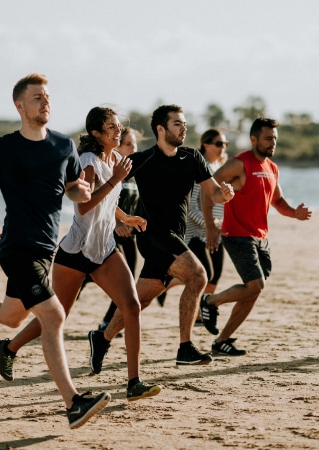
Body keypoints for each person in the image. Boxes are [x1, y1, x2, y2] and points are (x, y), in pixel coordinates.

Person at [0, 73, 110, 430]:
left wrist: (82, 193)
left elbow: (73, 188)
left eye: (47, 97)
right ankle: (73, 403)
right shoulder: (4, 147)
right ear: (20, 106)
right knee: (54, 316)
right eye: (37, 97)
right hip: (16, 248)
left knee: (11, 317)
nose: (46, 102)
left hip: (45, 249)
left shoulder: (63, 145)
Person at [0, 107, 161, 402]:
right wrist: (115, 180)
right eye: (111, 127)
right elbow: (84, 206)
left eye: (118, 125)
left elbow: (107, 203)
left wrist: (125, 218)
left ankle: (134, 382)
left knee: (132, 306)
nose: (117, 130)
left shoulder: (115, 160)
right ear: (97, 134)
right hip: (75, 252)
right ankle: (9, 347)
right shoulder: (88, 162)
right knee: (57, 315)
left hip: (104, 250)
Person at [88, 104, 235, 372]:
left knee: (139, 301)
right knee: (198, 275)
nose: (183, 128)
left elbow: (213, 193)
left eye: (184, 123)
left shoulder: (192, 158)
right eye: (177, 124)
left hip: (175, 236)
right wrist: (120, 220)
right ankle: (185, 348)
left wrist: (224, 194)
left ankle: (102, 337)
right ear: (161, 129)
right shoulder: (142, 160)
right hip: (152, 235)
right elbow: (106, 189)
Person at [199, 117, 312, 356]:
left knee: (254, 290)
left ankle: (222, 341)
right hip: (237, 234)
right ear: (254, 139)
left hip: (261, 237)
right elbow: (206, 189)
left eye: (275, 139)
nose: (273, 143)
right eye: (268, 138)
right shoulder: (238, 163)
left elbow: (278, 201)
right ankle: (210, 302)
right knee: (255, 285)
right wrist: (210, 226)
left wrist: (295, 214)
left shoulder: (272, 167)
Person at [156, 129, 230, 320]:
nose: (223, 148)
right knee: (203, 273)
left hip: (216, 231)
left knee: (215, 275)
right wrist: (209, 225)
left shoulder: (219, 167)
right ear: (206, 144)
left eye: (225, 144)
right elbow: (190, 206)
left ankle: (199, 312)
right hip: (197, 233)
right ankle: (169, 285)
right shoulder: (201, 167)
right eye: (219, 144)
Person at [96, 126, 144, 332]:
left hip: (129, 237)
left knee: (128, 282)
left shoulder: (135, 174)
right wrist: (117, 223)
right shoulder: (112, 172)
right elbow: (99, 201)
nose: (133, 148)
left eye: (135, 144)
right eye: (128, 144)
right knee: (113, 281)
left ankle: (108, 320)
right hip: (109, 235)